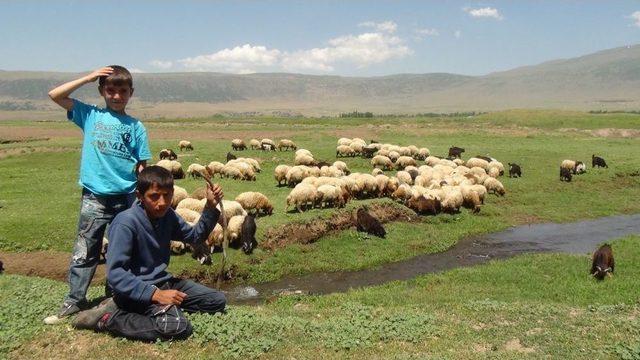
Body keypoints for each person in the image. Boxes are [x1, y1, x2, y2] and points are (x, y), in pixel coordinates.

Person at [45, 66, 151, 323]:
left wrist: (141, 186)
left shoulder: (136, 126)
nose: (116, 96)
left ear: (131, 93)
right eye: (111, 90)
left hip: (125, 198)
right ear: (102, 91)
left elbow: (142, 164)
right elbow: (55, 95)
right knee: (85, 250)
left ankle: (115, 298)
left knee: (121, 251)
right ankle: (74, 300)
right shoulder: (89, 114)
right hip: (94, 196)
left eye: (122, 91)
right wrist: (88, 77)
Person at [71, 166, 227, 341]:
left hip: (163, 282)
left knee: (216, 300)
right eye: (154, 196)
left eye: (167, 195)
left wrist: (210, 206)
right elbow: (116, 274)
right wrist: (156, 295)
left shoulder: (168, 216)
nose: (162, 202)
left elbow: (195, 236)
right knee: (177, 327)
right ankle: (108, 319)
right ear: (139, 196)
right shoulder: (125, 223)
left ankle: (160, 309)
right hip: (136, 290)